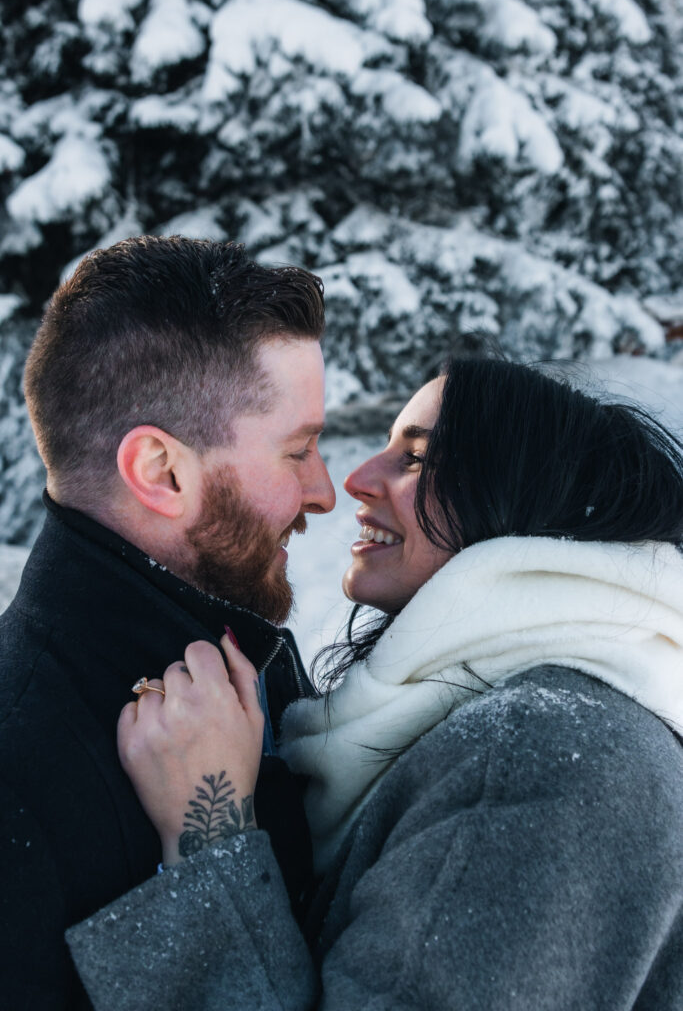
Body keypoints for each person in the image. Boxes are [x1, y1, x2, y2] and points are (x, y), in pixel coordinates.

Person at [68, 357, 683, 1010]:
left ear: (521, 493)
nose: (356, 480)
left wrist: (207, 833)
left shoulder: (540, 754)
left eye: (416, 459)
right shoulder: (543, 725)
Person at [0, 235, 336, 1008]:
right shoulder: (18, 771)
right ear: (161, 472)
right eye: (298, 451)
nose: (324, 490)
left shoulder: (239, 645)